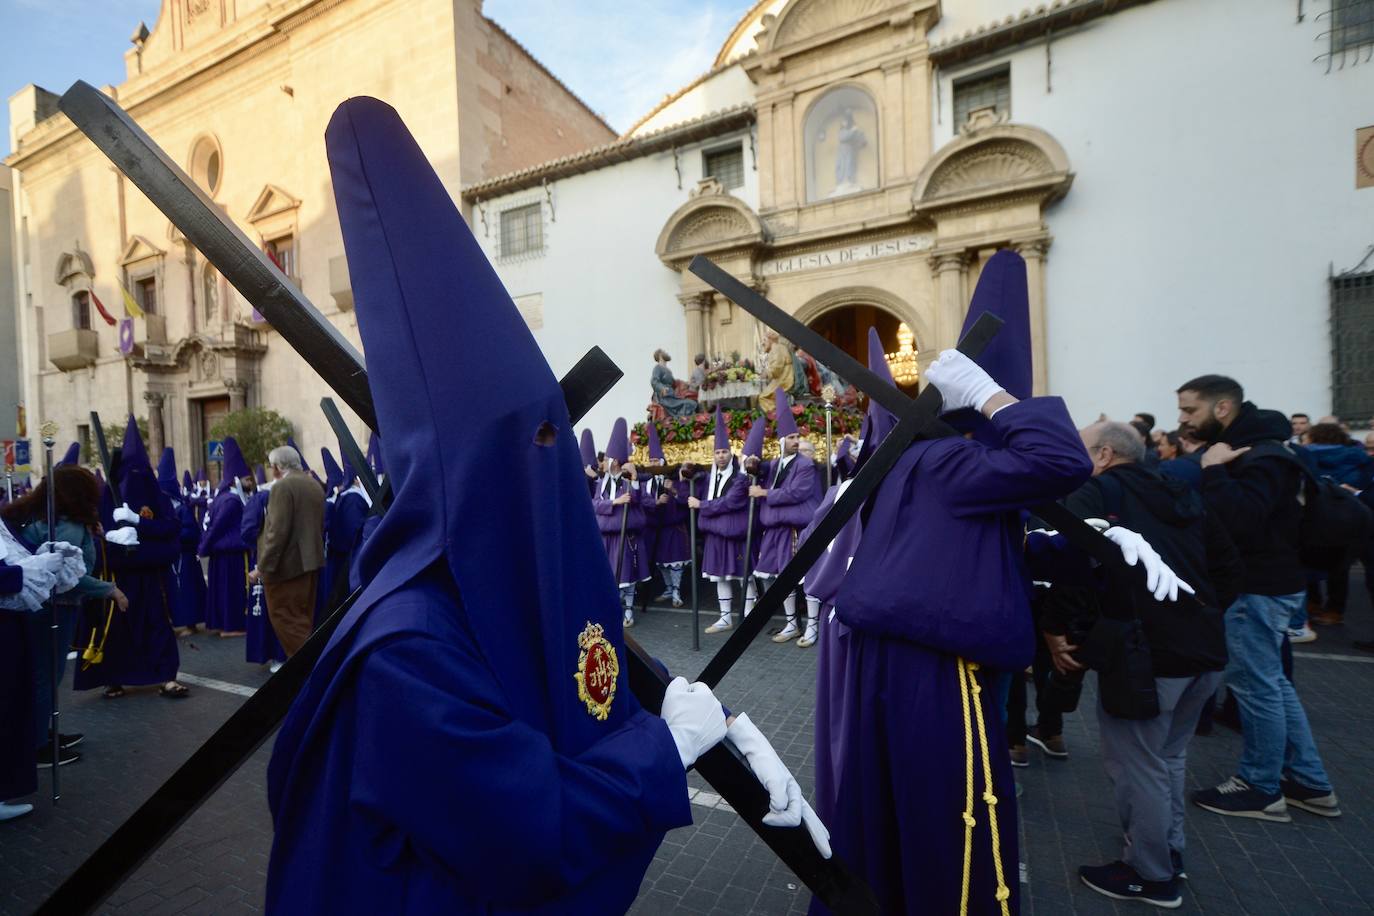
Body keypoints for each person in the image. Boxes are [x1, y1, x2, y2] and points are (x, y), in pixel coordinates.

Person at [266, 96, 825, 914]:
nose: (554, 468)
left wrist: (687, 705)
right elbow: (534, 835)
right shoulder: (405, 650)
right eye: (535, 444)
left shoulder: (487, 577)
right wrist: (665, 754)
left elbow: (566, 648)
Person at [818, 251, 1107, 915]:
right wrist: (992, 395)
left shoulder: (929, 462)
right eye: (1010, 399)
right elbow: (1064, 459)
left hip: (907, 653)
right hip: (937, 668)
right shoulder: (955, 457)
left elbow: (974, 548)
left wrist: (1079, 546)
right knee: (955, 813)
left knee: (905, 807)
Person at [1043, 421, 1242, 907]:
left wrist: (1056, 629)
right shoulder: (1179, 489)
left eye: (1081, 449)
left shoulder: (1094, 492)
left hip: (1145, 653)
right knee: (1168, 757)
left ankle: (1150, 874)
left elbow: (1069, 563)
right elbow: (1228, 565)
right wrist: (1199, 613)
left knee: (1138, 765)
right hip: (1204, 647)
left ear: (1105, 454)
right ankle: (1167, 851)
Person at [1177, 375, 1340, 822]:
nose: (1183, 419)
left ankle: (1260, 786)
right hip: (1268, 585)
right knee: (1272, 685)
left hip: (1257, 588)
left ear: (1223, 408)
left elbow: (1241, 521)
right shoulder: (1262, 448)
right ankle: (1308, 781)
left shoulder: (1259, 455)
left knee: (1256, 687)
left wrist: (1211, 469)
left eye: (1191, 410)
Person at [4, 465, 128, 764]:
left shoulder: (48, 517)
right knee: (46, 675)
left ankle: (39, 732)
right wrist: (109, 589)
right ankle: (35, 745)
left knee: (41, 674)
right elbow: (70, 573)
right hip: (54, 607)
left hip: (42, 606)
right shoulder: (67, 525)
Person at [75, 416, 188, 699]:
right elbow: (94, 538)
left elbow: (172, 529)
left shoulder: (158, 497)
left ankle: (166, 677)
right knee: (117, 630)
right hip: (119, 577)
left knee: (158, 625)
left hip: (152, 577)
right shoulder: (106, 498)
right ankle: (115, 678)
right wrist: (110, 538)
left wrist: (138, 521)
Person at [0, 531, 86, 821]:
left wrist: (40, 558)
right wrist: (23, 573)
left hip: (11, 630)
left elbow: (13, 554)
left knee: (9, 708)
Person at [750, 386, 821, 645]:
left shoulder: (806, 464)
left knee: (808, 576)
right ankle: (792, 624)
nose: (794, 440)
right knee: (782, 578)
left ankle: (812, 627)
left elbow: (795, 493)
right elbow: (755, 466)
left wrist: (764, 494)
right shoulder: (775, 464)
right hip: (777, 531)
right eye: (789, 437)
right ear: (781, 442)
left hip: (798, 530)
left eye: (795, 436)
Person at [250, 446, 325, 657]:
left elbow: (277, 532)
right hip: (310, 563)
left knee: (288, 623)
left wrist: (261, 568)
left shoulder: (282, 488)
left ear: (277, 467)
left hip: (286, 568)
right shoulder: (314, 485)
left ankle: (308, 674)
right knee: (303, 620)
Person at [690, 408, 757, 633]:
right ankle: (725, 617)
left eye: (724, 452)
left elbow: (730, 503)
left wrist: (703, 506)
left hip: (734, 536)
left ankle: (749, 615)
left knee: (742, 574)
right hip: (715, 537)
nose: (721, 456)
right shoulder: (708, 479)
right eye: (717, 452)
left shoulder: (740, 479)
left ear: (731, 454)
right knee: (719, 576)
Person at [593, 418, 650, 628]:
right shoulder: (603, 483)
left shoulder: (628, 481)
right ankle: (611, 609)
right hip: (606, 538)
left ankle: (628, 611)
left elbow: (638, 501)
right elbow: (595, 504)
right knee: (608, 576)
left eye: (607, 458)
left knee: (627, 576)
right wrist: (614, 502)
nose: (603, 462)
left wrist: (634, 480)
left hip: (624, 538)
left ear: (615, 461)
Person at [198, 437, 253, 638]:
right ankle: (231, 626)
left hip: (223, 553)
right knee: (231, 591)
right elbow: (217, 528)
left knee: (223, 590)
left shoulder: (223, 498)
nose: (250, 483)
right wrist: (204, 547)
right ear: (237, 480)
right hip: (230, 553)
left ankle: (223, 624)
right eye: (247, 480)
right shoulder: (230, 501)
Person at [241, 464, 287, 669]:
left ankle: (278, 654)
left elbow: (248, 530)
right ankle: (277, 655)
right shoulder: (264, 497)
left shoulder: (267, 495)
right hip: (272, 560)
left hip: (270, 559)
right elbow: (249, 530)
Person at [159, 449, 207, 635]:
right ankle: (180, 621)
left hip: (184, 556)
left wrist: (171, 535)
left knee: (187, 589)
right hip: (172, 556)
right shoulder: (166, 509)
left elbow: (191, 532)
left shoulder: (182, 509)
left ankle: (190, 623)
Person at [642, 423, 689, 608]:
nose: (654, 464)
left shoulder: (676, 480)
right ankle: (668, 588)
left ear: (662, 462)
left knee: (675, 562)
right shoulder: (646, 483)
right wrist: (655, 503)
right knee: (661, 563)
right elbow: (642, 501)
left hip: (673, 529)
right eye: (651, 461)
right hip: (655, 530)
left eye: (656, 461)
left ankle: (677, 591)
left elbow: (686, 501)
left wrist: (674, 492)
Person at [650, 349, 697, 418]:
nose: (666, 352)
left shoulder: (667, 370)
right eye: (664, 352)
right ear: (660, 355)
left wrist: (686, 383)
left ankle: (686, 420)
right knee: (688, 403)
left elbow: (674, 382)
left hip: (672, 396)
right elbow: (654, 381)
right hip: (665, 399)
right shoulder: (658, 368)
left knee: (692, 402)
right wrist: (662, 388)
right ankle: (683, 420)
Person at [758, 331, 795, 414]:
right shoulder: (778, 347)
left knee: (763, 397)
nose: (762, 343)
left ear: (770, 340)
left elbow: (777, 368)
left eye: (764, 340)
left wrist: (767, 373)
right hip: (783, 377)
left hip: (784, 380)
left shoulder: (776, 348)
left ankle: (774, 415)